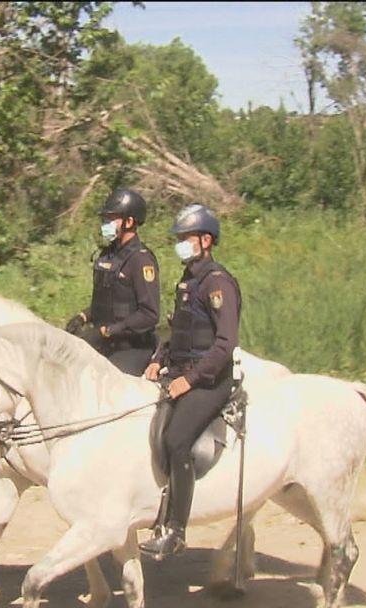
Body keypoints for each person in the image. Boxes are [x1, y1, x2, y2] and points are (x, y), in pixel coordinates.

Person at [140, 203, 241, 558]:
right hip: (180, 372)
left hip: (210, 380)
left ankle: (176, 530)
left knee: (176, 440)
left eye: (186, 238)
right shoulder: (188, 281)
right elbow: (179, 332)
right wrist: (158, 359)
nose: (180, 244)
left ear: (206, 241)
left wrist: (191, 380)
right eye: (178, 238)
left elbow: (225, 343)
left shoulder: (217, 283)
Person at [64, 188, 160, 375]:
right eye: (105, 219)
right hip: (103, 343)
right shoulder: (107, 256)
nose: (105, 224)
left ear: (129, 221)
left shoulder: (140, 260)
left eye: (111, 219)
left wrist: (108, 331)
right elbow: (107, 303)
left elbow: (149, 314)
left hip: (131, 348)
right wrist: (83, 317)